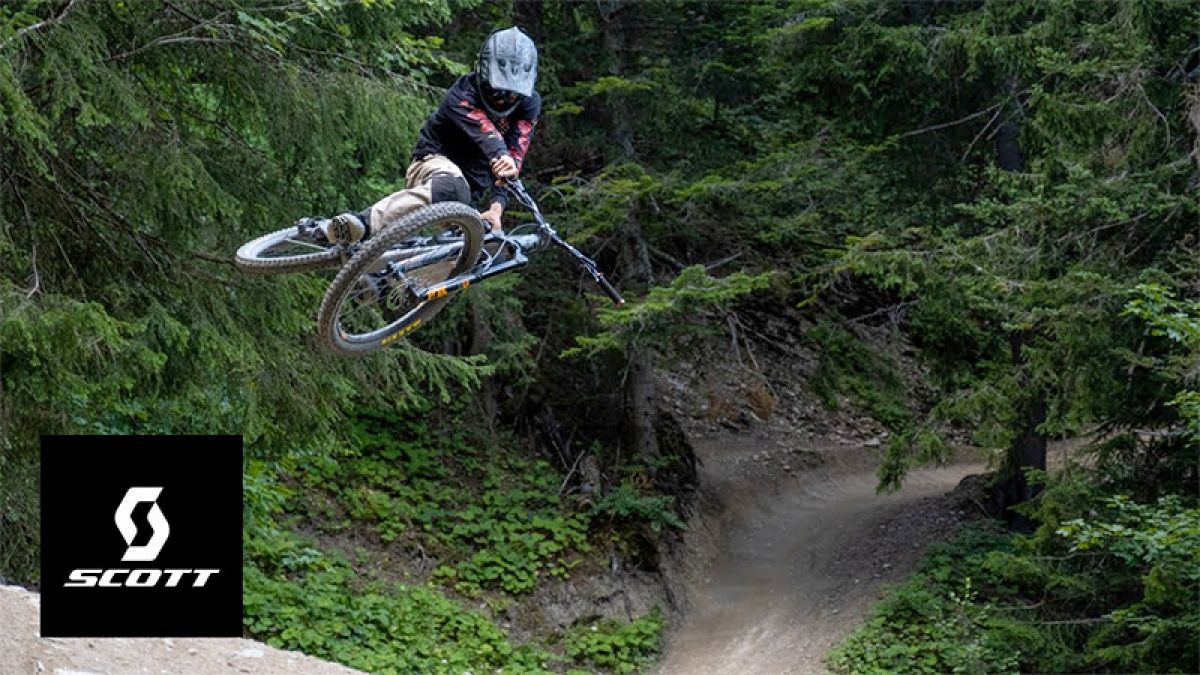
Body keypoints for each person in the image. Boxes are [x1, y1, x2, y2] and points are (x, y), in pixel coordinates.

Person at [309, 26, 541, 243]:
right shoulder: (461, 94)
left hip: (468, 194)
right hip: (432, 163)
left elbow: (513, 158)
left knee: (478, 247)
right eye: (498, 89)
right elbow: (489, 138)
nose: (503, 98)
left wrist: (496, 208)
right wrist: (503, 157)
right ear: (483, 73)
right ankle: (360, 224)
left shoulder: (529, 105)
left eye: (512, 94)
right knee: (454, 187)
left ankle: (388, 283)